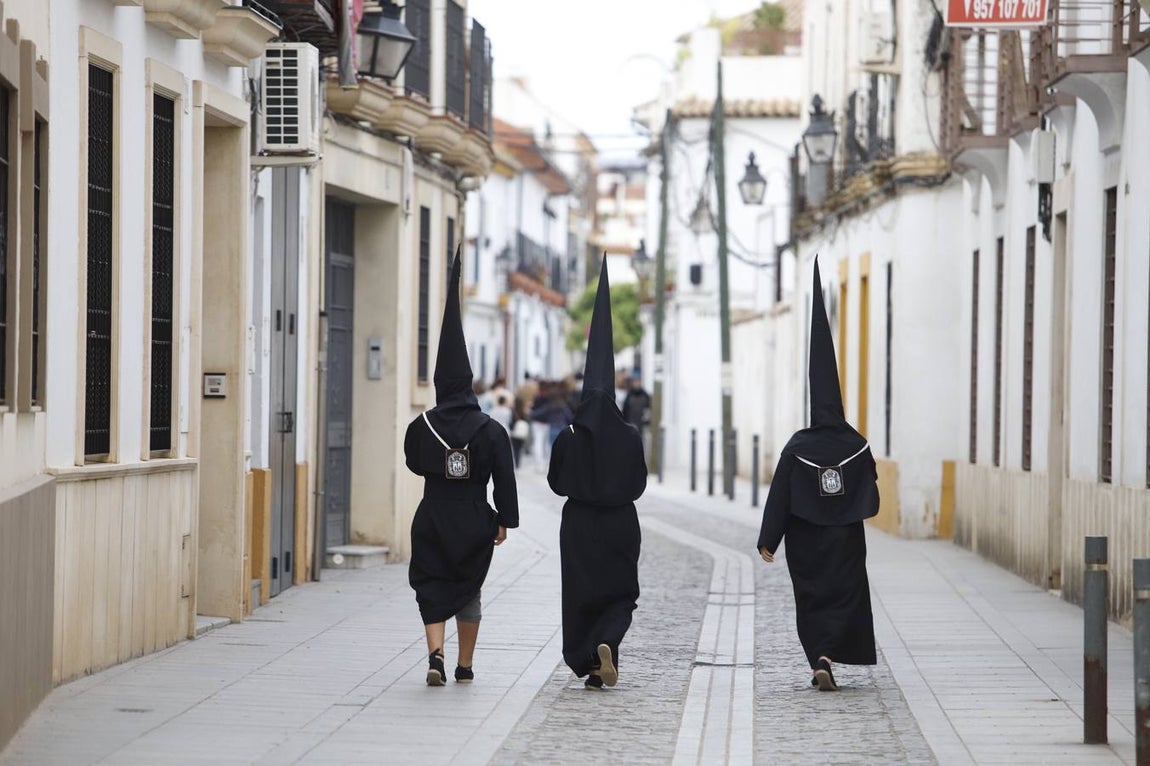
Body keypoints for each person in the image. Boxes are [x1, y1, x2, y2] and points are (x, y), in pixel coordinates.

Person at [756, 257, 879, 692]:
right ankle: (831, 652)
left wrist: (769, 539)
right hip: (844, 538)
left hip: (806, 540)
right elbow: (872, 496)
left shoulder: (797, 446)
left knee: (811, 598)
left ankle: (818, 657)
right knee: (844, 594)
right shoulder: (857, 444)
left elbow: (780, 497)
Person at [404, 250, 519, 687]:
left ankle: (434, 655)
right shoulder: (490, 430)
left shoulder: (422, 425)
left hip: (433, 513)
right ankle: (464, 666)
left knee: (431, 586)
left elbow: (415, 463)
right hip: (474, 516)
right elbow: (504, 477)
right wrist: (504, 520)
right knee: (468, 590)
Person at [548, 258, 646, 690]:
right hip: (621, 521)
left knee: (581, 594)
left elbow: (554, 483)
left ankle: (591, 662)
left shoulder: (570, 434)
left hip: (579, 523)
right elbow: (639, 483)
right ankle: (608, 643)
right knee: (621, 592)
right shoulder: (627, 436)